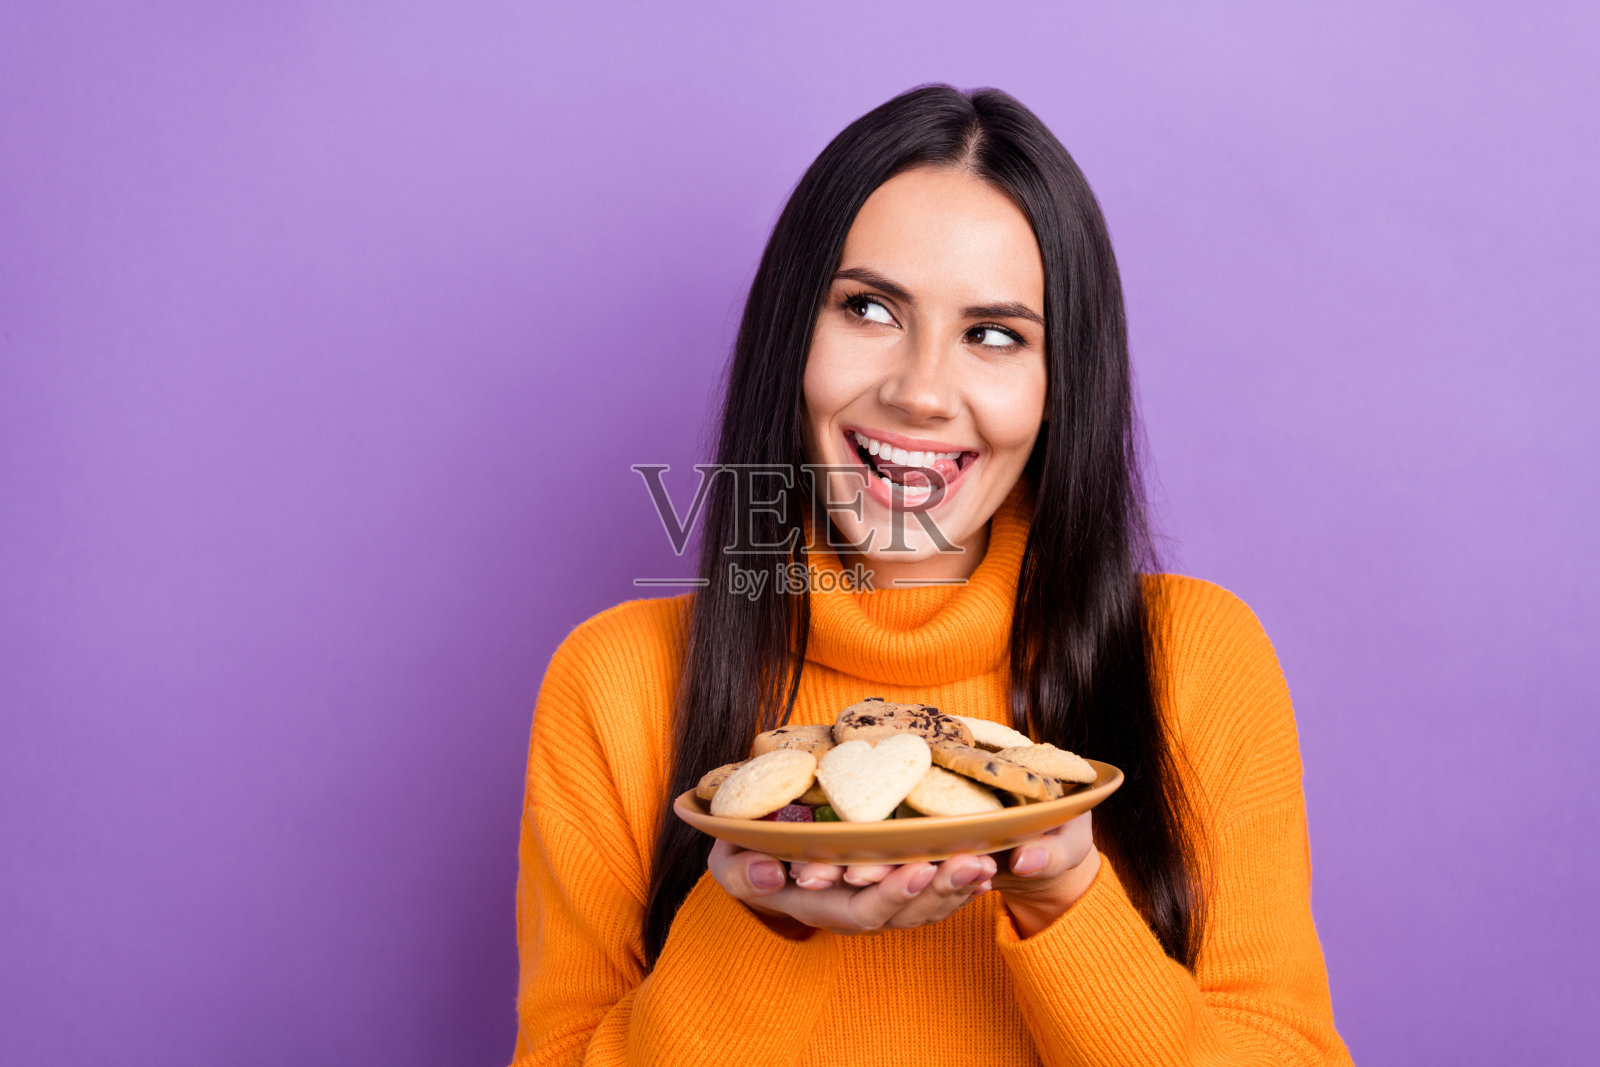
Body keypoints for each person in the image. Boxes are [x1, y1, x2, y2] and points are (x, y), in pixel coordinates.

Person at [510, 83, 1355, 1066]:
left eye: (994, 334)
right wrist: (764, 920)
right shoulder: (616, 682)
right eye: (868, 308)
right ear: (792, 336)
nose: (918, 391)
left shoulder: (1192, 659)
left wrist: (1067, 899)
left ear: (1059, 385)